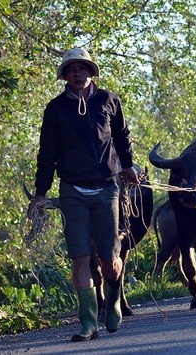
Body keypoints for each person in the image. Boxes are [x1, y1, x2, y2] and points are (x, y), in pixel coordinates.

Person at [27, 48, 140, 342]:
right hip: (72, 190)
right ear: (65, 75)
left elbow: (122, 137)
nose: (77, 74)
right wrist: (40, 193)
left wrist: (127, 167)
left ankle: (113, 300)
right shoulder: (55, 109)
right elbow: (47, 152)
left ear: (91, 72)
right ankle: (88, 322)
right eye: (71, 69)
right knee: (80, 258)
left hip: (107, 187)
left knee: (110, 261)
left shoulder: (108, 100)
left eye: (82, 68)